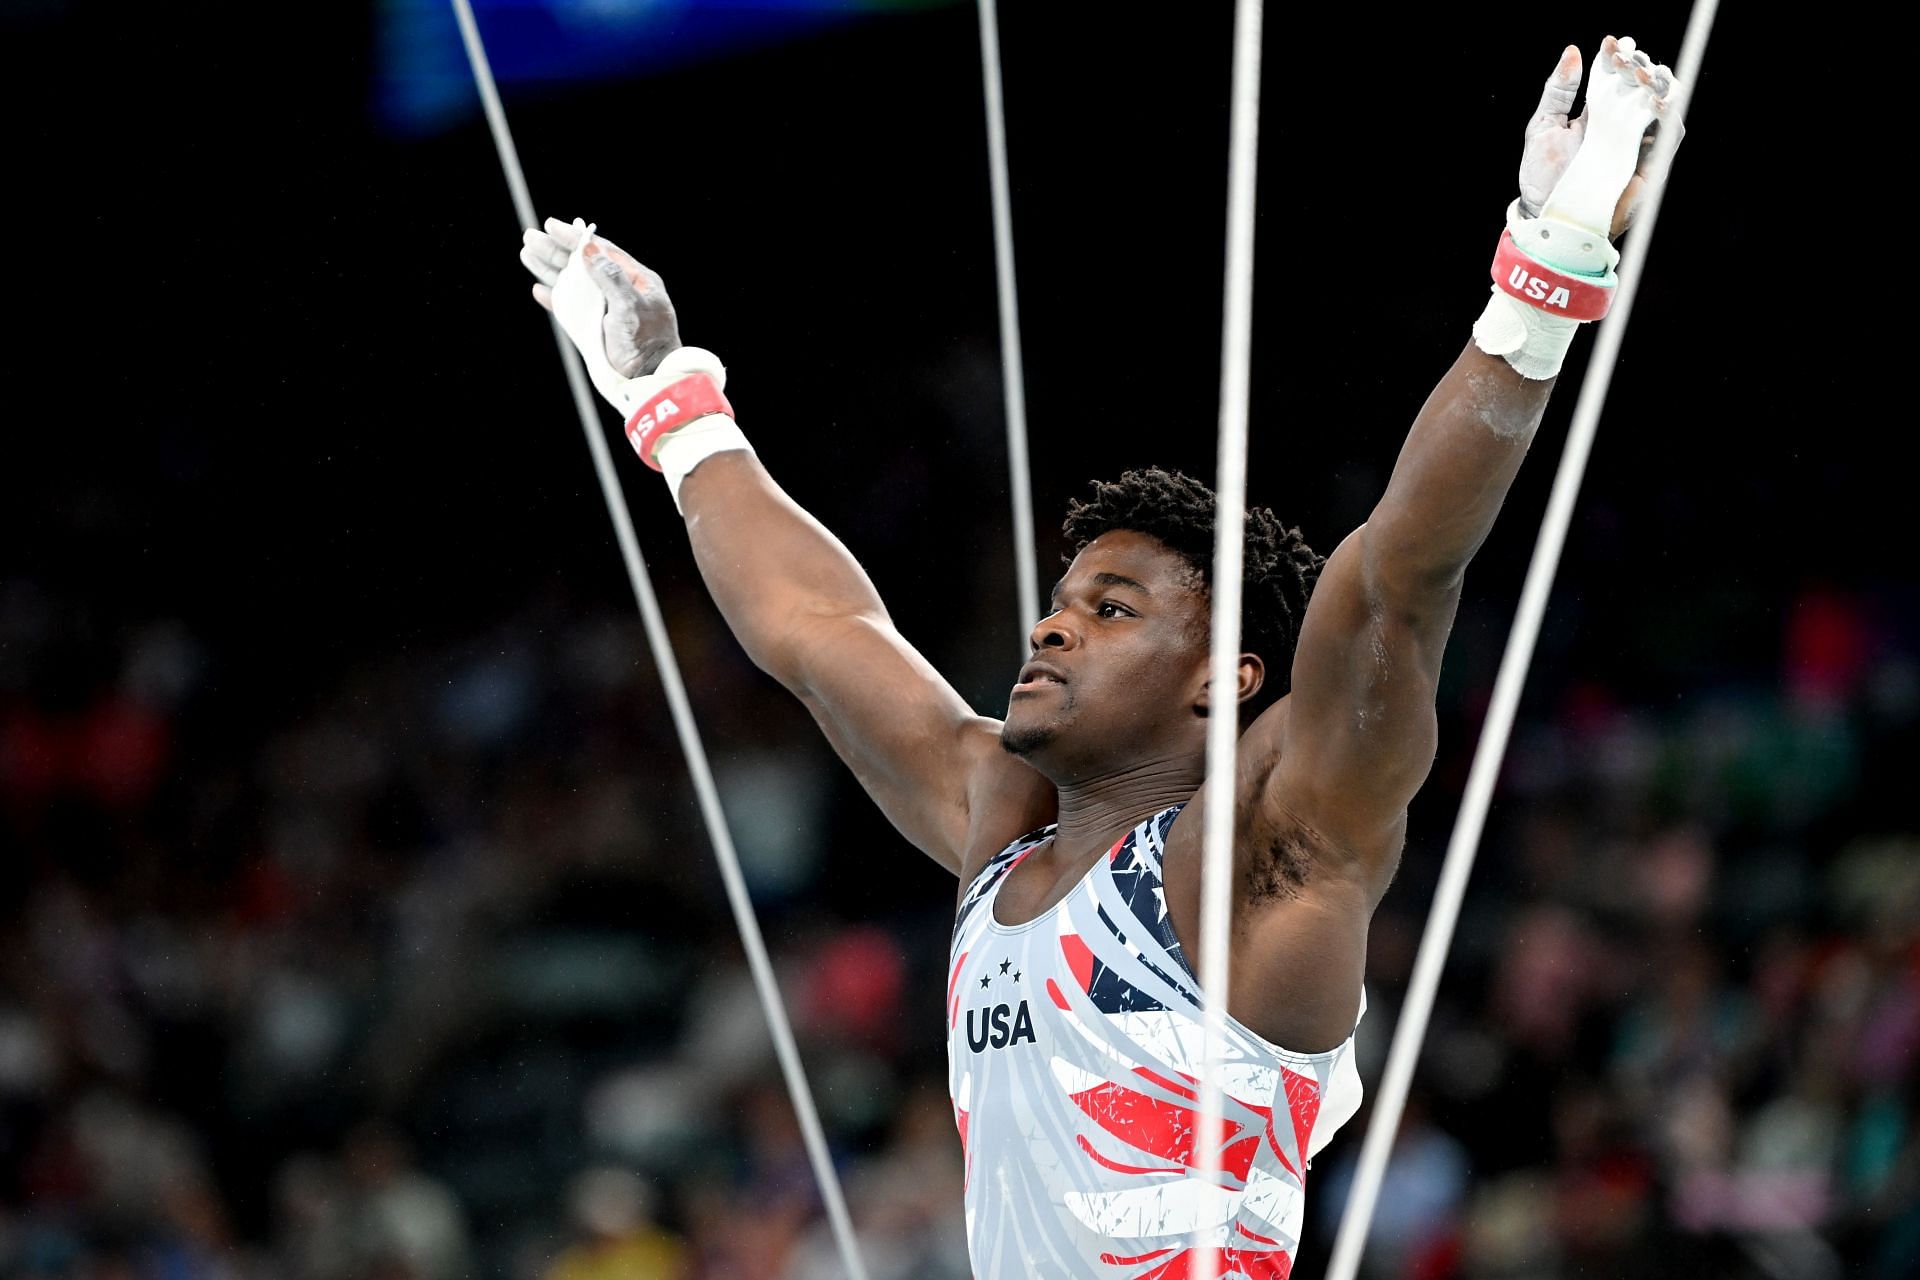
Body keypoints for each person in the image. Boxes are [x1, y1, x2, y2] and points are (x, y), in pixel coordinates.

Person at [514, 34, 1682, 1279]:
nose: (1052, 624)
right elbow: (818, 634)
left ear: (1223, 679)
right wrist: (668, 400)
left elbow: (1396, 583)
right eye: (1061, 600)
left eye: (1114, 608)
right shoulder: (999, 827)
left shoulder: (1258, 858)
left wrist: (1547, 264)